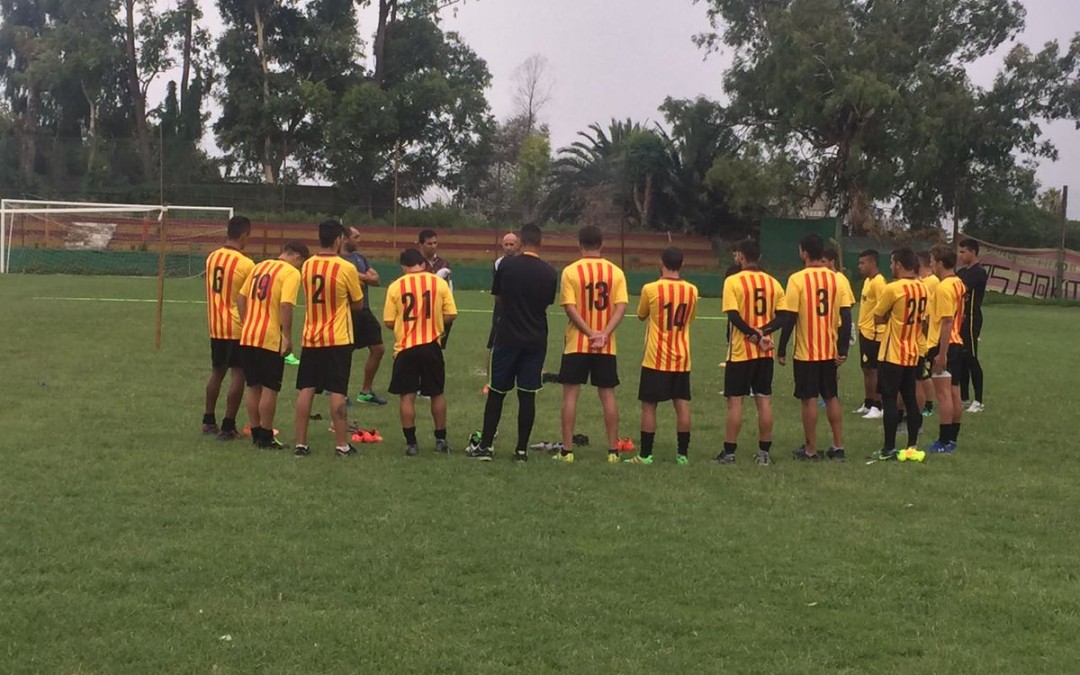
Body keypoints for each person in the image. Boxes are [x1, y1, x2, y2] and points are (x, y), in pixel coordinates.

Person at [468, 225, 557, 461]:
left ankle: (486, 447)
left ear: (519, 243)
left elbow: (498, 296)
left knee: (497, 392)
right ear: (541, 242)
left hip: (507, 336)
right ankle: (520, 450)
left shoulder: (506, 265)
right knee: (527, 395)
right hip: (535, 339)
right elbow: (547, 302)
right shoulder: (549, 272)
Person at [766, 233, 853, 460]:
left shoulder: (797, 279)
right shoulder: (838, 279)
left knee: (809, 399)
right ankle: (838, 446)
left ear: (804, 252)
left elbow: (790, 316)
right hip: (830, 350)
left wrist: (782, 348)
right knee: (832, 396)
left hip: (807, 352)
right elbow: (846, 315)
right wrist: (843, 349)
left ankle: (811, 449)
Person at [292, 220, 365, 458]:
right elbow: (358, 303)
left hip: (311, 337)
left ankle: (300, 444)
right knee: (337, 391)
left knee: (306, 388)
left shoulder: (308, 265)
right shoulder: (346, 268)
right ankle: (341, 445)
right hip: (338, 338)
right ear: (338, 241)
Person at [556, 225, 628, 464]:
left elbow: (569, 307)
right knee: (607, 395)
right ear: (602, 245)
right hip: (606, 345)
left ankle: (567, 451)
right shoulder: (616, 272)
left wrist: (589, 333)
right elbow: (621, 307)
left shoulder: (570, 271)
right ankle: (612, 451)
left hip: (578, 343)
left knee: (570, 396)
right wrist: (604, 333)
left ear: (579, 245)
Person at [623, 247, 699, 466]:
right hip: (682, 357)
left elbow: (641, 315)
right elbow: (689, 319)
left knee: (649, 406)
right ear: (682, 264)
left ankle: (646, 455)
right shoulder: (692, 291)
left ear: (661, 263)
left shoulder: (651, 288)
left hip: (656, 357)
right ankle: (682, 455)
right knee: (682, 404)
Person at [384, 248, 458, 456]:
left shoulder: (396, 286)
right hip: (431, 345)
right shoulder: (438, 283)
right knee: (436, 393)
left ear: (403, 266)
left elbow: (389, 321)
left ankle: (411, 443)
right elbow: (451, 314)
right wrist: (435, 324)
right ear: (423, 264)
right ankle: (441, 440)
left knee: (407, 396)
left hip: (406, 348)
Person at [715, 239, 783, 466]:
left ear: (741, 256)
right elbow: (783, 316)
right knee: (764, 401)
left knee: (735, 402)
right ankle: (764, 453)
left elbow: (733, 316)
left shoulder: (733, 281)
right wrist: (763, 332)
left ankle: (729, 452)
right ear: (760, 257)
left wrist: (753, 334)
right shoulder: (773, 283)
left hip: (741, 352)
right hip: (765, 353)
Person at [236, 241, 309, 449]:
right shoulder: (290, 273)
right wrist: (287, 335)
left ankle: (256, 432)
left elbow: (240, 298)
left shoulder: (259, 266)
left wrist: (246, 321)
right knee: (270, 387)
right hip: (270, 338)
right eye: (300, 263)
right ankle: (266, 436)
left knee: (253, 386)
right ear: (296, 257)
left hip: (249, 335)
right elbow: (286, 305)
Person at [868, 248, 928, 460]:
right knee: (911, 399)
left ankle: (889, 447)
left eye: (893, 263)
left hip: (892, 353)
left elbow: (877, 316)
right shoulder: (922, 288)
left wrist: (889, 319)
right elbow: (924, 320)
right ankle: (912, 445)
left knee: (890, 399)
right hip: (912, 352)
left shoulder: (894, 288)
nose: (891, 267)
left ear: (900, 265)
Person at [203, 215, 255, 441]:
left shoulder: (212, 258)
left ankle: (208, 420)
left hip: (216, 325)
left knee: (217, 373)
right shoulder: (246, 264)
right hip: (236, 327)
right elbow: (249, 299)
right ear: (243, 235)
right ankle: (228, 425)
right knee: (238, 374)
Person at [926, 244, 967, 453]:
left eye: (932, 261)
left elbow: (947, 321)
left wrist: (941, 354)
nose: (931, 264)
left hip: (945, 344)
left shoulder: (943, 288)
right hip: (957, 343)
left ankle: (943, 441)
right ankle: (952, 440)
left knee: (943, 395)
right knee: (954, 393)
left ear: (941, 263)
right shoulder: (959, 283)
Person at [343, 225, 387, 405]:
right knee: (344, 354)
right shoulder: (338, 259)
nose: (359, 240)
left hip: (364, 311)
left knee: (378, 349)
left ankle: (365, 392)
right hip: (347, 312)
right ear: (344, 238)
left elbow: (376, 280)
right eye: (356, 237)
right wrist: (362, 277)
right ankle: (341, 394)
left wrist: (357, 276)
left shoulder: (360, 258)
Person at [484, 232, 522, 395]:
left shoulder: (523, 262)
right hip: (502, 311)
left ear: (518, 245)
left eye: (511, 244)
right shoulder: (499, 263)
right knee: (494, 343)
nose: (508, 247)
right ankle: (489, 381)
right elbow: (497, 291)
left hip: (520, 310)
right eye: (506, 244)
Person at [956, 238, 988, 413]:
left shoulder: (978, 272)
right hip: (959, 319)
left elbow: (959, 290)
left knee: (971, 357)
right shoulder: (961, 272)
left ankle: (979, 400)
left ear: (973, 252)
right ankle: (964, 397)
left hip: (971, 319)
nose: (960, 256)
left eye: (963, 252)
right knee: (960, 359)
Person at [854, 249, 887, 419]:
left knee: (874, 370)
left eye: (863, 263)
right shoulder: (868, 281)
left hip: (875, 333)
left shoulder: (879, 282)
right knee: (866, 369)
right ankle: (868, 402)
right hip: (865, 331)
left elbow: (884, 308)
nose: (860, 266)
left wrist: (877, 327)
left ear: (873, 263)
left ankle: (878, 405)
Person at [419, 228, 454, 348]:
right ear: (421, 245)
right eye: (429, 243)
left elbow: (448, 286)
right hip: (422, 310)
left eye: (435, 243)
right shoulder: (415, 263)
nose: (433, 246)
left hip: (440, 309)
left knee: (438, 347)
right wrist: (437, 277)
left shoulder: (443, 263)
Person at [916, 251, 939, 416]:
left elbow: (929, 311)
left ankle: (929, 404)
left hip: (927, 336)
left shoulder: (932, 282)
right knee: (919, 374)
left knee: (924, 373)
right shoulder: (922, 281)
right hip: (916, 336)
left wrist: (927, 332)